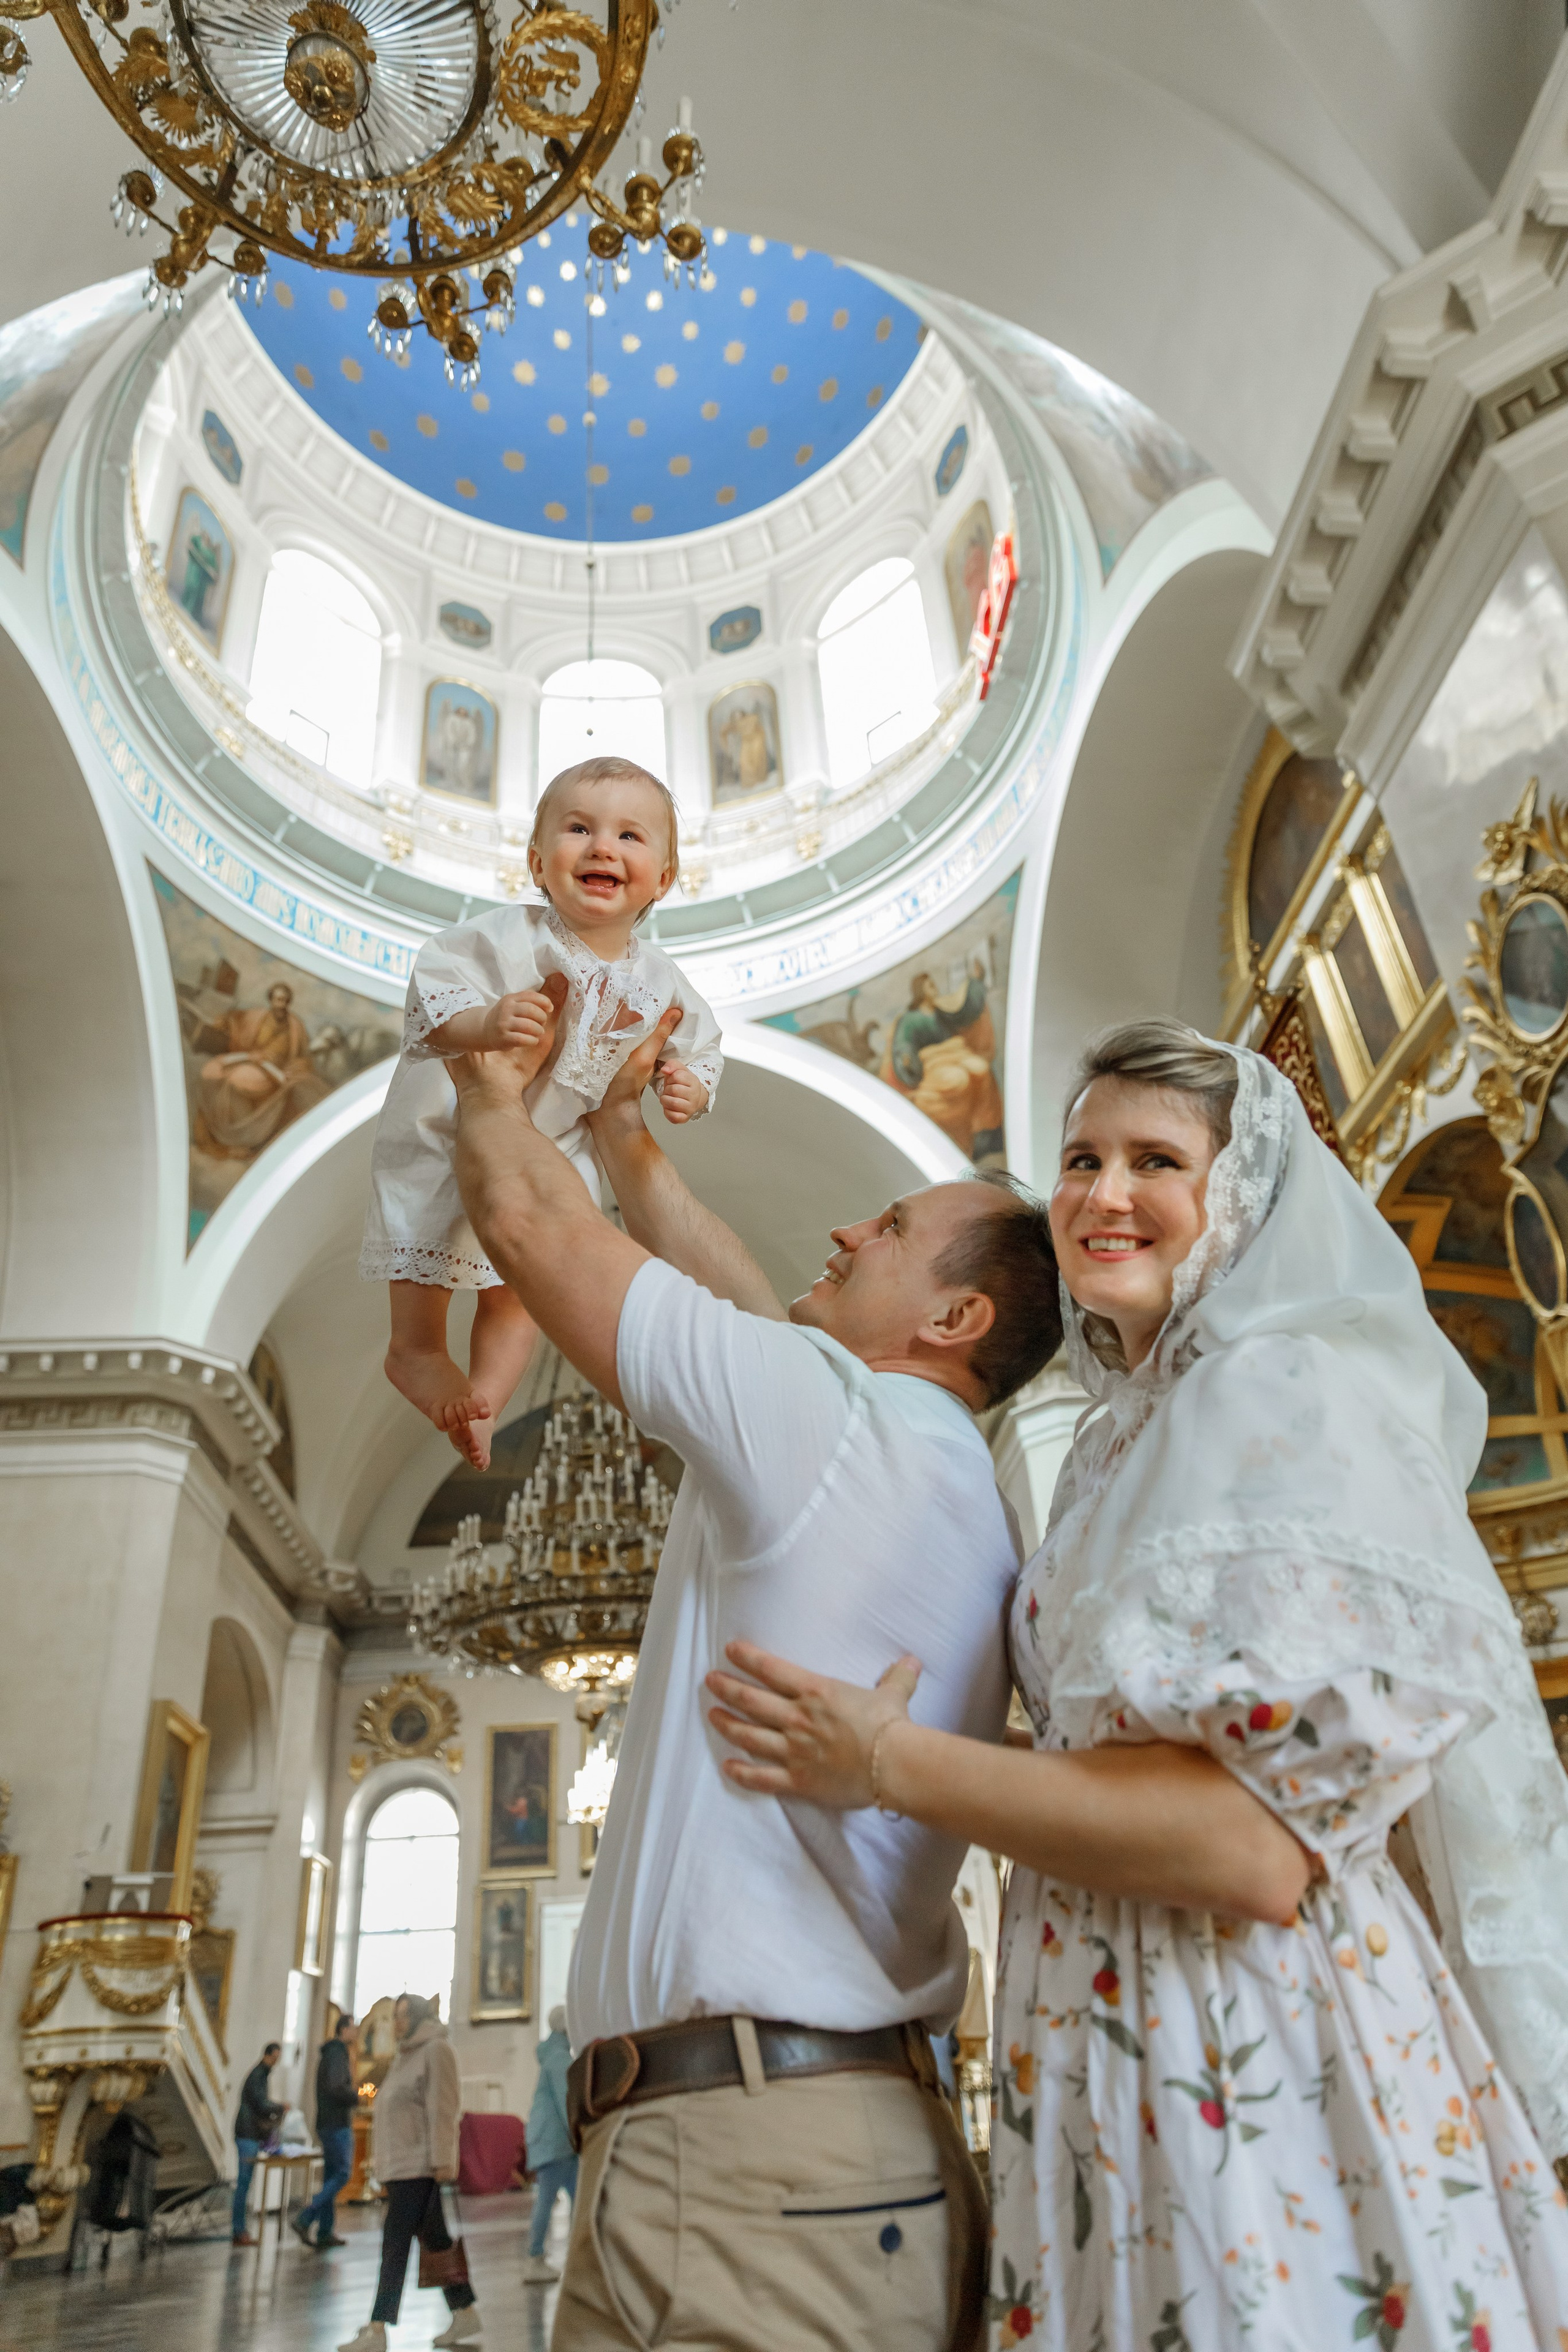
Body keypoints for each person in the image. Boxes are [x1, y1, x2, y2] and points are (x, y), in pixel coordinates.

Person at [707, 1019, 1568, 2346]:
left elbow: (1252, 1847)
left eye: (1152, 1160)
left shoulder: (1278, 1389)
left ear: (1238, 1197)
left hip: (1252, 2051)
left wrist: (884, 1762)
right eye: (1077, 1158)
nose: (1102, 1194)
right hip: (1115, 2045)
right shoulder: (1118, 1443)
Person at [445, 995, 1062, 2352]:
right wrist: (630, 1142)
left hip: (759, 2164)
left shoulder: (840, 1426)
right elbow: (741, 1311)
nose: (847, 1231)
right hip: (751, 2151)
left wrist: (488, 1084)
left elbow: (533, 1233)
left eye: (889, 1229)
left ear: (954, 1316)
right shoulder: (905, 1454)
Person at [360, 755, 722, 1471]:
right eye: (579, 829)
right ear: (536, 861)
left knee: (523, 1286)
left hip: (559, 1144)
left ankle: (486, 1403)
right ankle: (417, 1349)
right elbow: (431, 991)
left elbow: (700, 1044)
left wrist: (692, 1088)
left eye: (630, 836)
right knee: (427, 1221)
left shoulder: (660, 980)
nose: (602, 848)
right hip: (453, 1118)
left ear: (665, 878)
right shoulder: (502, 938)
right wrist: (485, 1021)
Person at [337, 1994, 483, 2352]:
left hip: (419, 2167)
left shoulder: (436, 2051)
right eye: (395, 2017)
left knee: (395, 2244)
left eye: (403, 2016)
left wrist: (443, 2161)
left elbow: (444, 2109)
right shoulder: (404, 2056)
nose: (397, 2023)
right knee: (436, 2239)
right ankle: (464, 2311)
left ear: (418, 2017)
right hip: (400, 2167)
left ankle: (378, 2327)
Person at [292, 2012, 357, 2252]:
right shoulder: (338, 2052)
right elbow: (336, 2086)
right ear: (343, 2030)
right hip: (336, 2123)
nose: (357, 2032)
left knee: (331, 2177)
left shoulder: (331, 2052)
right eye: (354, 2028)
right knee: (342, 2173)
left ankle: (325, 2231)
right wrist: (356, 2096)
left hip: (327, 2122)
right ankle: (306, 2217)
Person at [521, 2003, 576, 2284]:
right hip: (558, 2143)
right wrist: (580, 2134)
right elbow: (568, 2103)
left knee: (554, 2199)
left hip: (549, 2141)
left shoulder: (552, 2056)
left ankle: (539, 2256)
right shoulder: (559, 2059)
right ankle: (537, 2257)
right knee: (565, 2199)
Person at [230, 2038, 281, 2248]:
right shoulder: (258, 2075)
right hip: (247, 2134)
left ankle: (240, 2230)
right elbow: (260, 2103)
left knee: (245, 2183)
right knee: (243, 2183)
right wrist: (279, 2107)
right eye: (275, 2058)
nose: (276, 2063)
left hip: (249, 2133)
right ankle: (239, 2230)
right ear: (267, 2055)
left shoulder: (260, 2074)